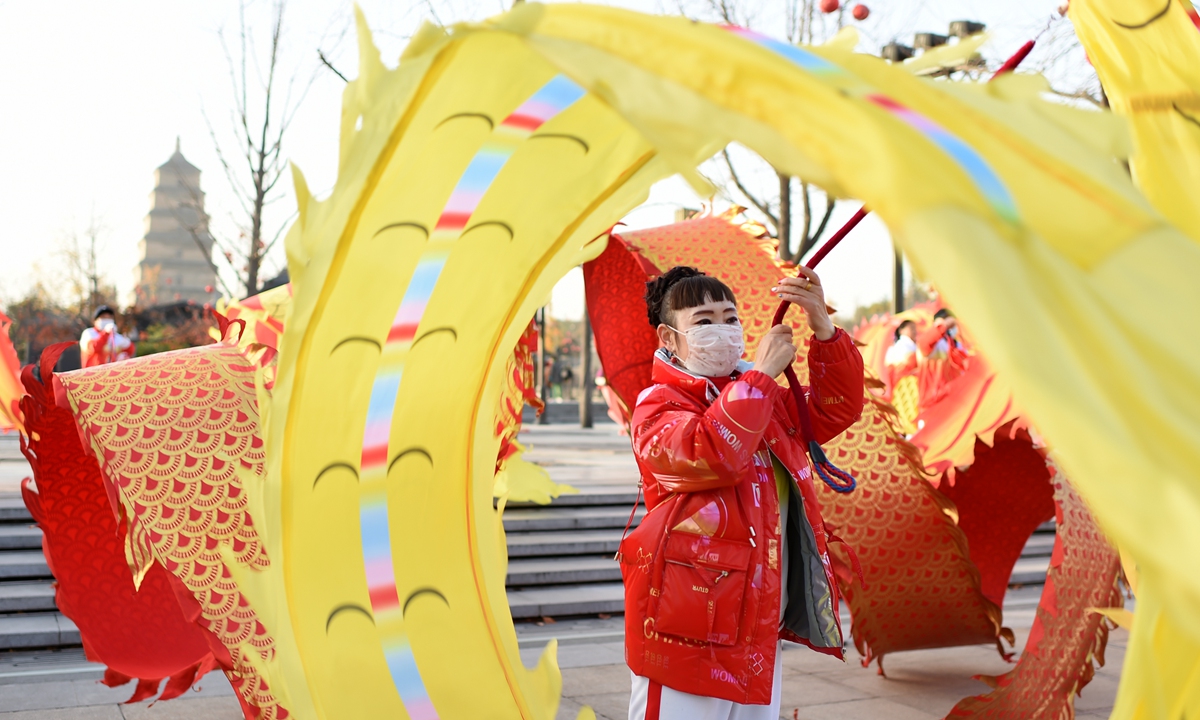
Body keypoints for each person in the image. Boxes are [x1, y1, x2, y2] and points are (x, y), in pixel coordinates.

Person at [620, 266, 864, 720]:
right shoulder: (658, 404)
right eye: (704, 320)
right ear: (668, 338)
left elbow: (836, 411)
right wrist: (763, 375)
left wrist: (823, 327)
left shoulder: (761, 392)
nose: (724, 330)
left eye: (730, 318)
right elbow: (710, 454)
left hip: (755, 615)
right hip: (686, 618)